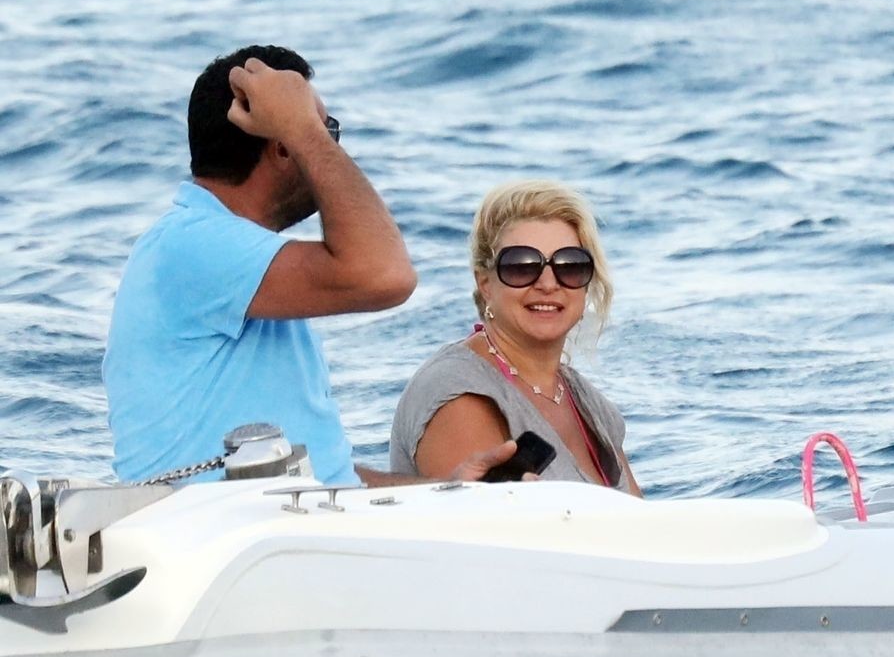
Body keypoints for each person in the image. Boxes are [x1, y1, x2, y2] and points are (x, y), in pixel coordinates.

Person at [104, 46, 517, 486]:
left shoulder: (232, 261)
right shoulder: (195, 244)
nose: (329, 146)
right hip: (232, 527)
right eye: (326, 131)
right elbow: (387, 276)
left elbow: (328, 478)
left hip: (280, 520)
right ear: (283, 146)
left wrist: (449, 490)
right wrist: (304, 129)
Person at [390, 181, 640, 493]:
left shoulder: (589, 403)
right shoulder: (457, 391)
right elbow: (487, 521)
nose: (548, 284)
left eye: (570, 265)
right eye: (522, 266)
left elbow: (644, 518)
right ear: (485, 284)